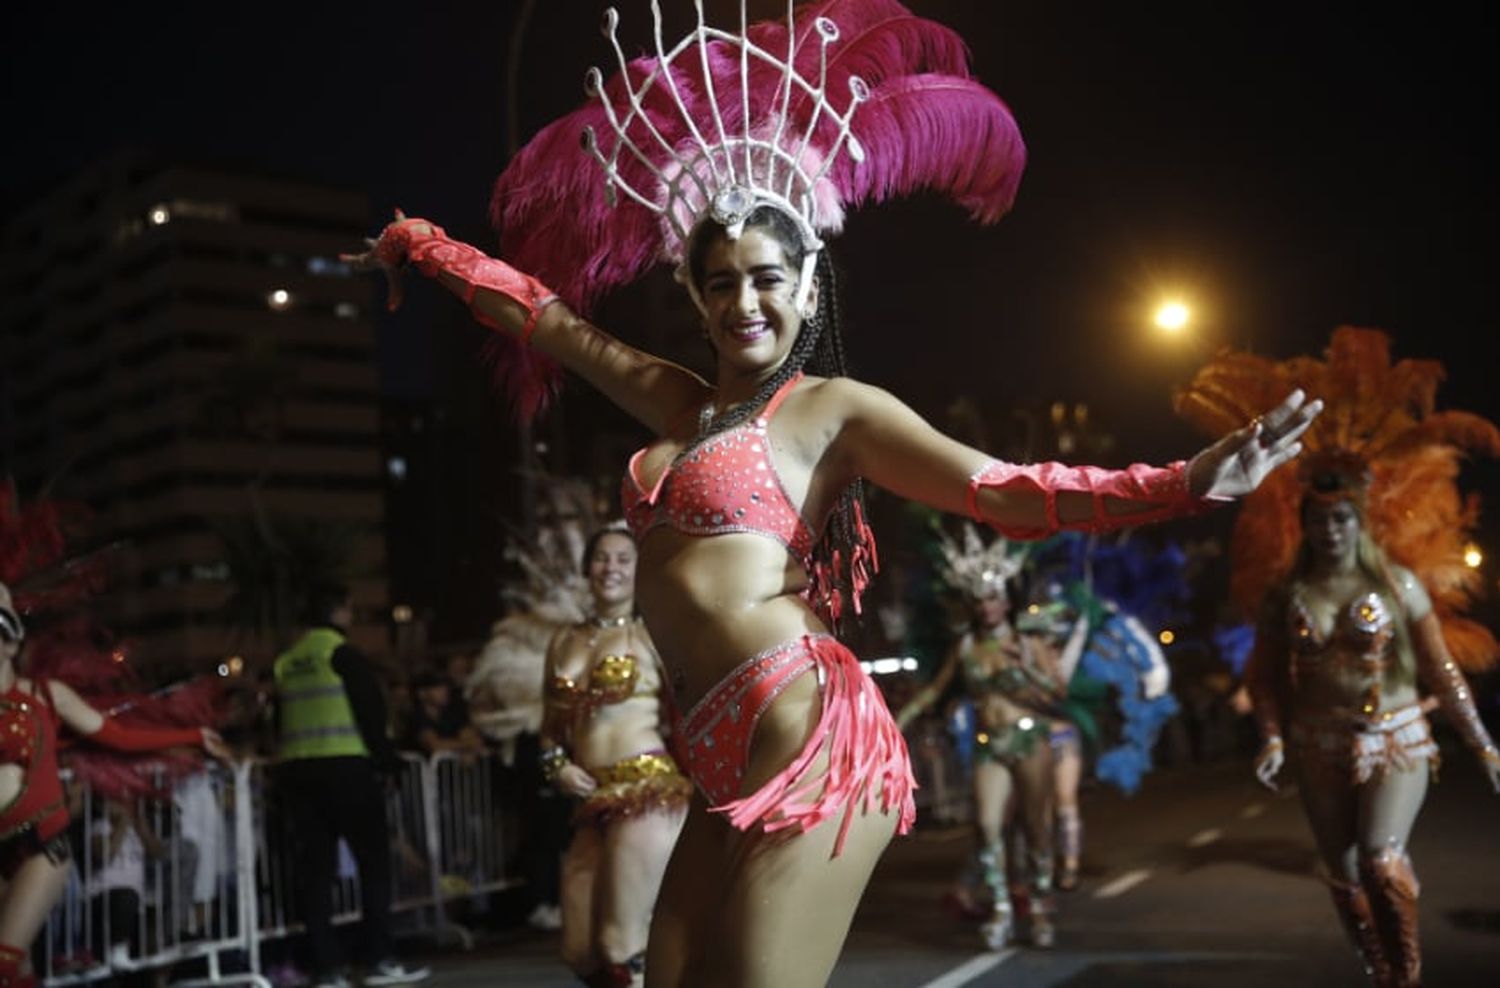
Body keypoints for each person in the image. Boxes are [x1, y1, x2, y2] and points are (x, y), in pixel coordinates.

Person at [345, 3, 1318, 982]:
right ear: (695, 297)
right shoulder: (678, 406)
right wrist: (424, 247)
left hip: (797, 722)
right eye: (719, 282)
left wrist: (1186, 483)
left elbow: (1004, 490)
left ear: (809, 287)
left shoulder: (831, 412)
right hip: (707, 751)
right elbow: (551, 323)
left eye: (766, 278)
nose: (744, 302)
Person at [1179, 326, 1500, 987]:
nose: (1330, 530)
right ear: (1307, 523)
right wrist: (1269, 737)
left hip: (1396, 739)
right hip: (1315, 742)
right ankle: (1379, 971)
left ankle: (1405, 973)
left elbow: (1440, 668)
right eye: (1319, 519)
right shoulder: (1286, 593)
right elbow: (1264, 675)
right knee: (1346, 873)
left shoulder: (1397, 586)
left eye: (1341, 519)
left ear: (1359, 522)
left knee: (1382, 860)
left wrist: (1481, 742)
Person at [0, 582, 227, 988]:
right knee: (18, 971)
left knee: (3, 960)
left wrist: (192, 736)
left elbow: (121, 737)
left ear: (13, 642)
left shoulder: (48, 697)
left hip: (41, 847)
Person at [896, 528, 1088, 948]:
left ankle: (1038, 904)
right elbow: (937, 688)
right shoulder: (966, 646)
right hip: (990, 744)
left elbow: (1057, 692)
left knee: (1036, 829)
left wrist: (1027, 666)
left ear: (1006, 601)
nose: (988, 607)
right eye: (980, 600)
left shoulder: (1027, 641)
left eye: (994, 598)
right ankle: (1001, 908)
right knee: (986, 827)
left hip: (1029, 741)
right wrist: (898, 720)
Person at [540, 526, 689, 987]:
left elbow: (689, 711)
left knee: (619, 945)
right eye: (603, 558)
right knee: (580, 951)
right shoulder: (563, 641)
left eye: (624, 559)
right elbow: (549, 728)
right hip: (591, 798)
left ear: (640, 571)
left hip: (647, 793)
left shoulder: (652, 637)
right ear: (588, 567)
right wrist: (556, 766)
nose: (612, 569)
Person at [272, 584, 429, 988]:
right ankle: (377, 959)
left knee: (316, 875)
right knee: (374, 866)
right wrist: (388, 762)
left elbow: (277, 720)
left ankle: (326, 970)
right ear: (340, 612)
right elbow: (370, 713)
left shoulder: (287, 661)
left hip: (298, 773)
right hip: (347, 770)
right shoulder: (342, 654)